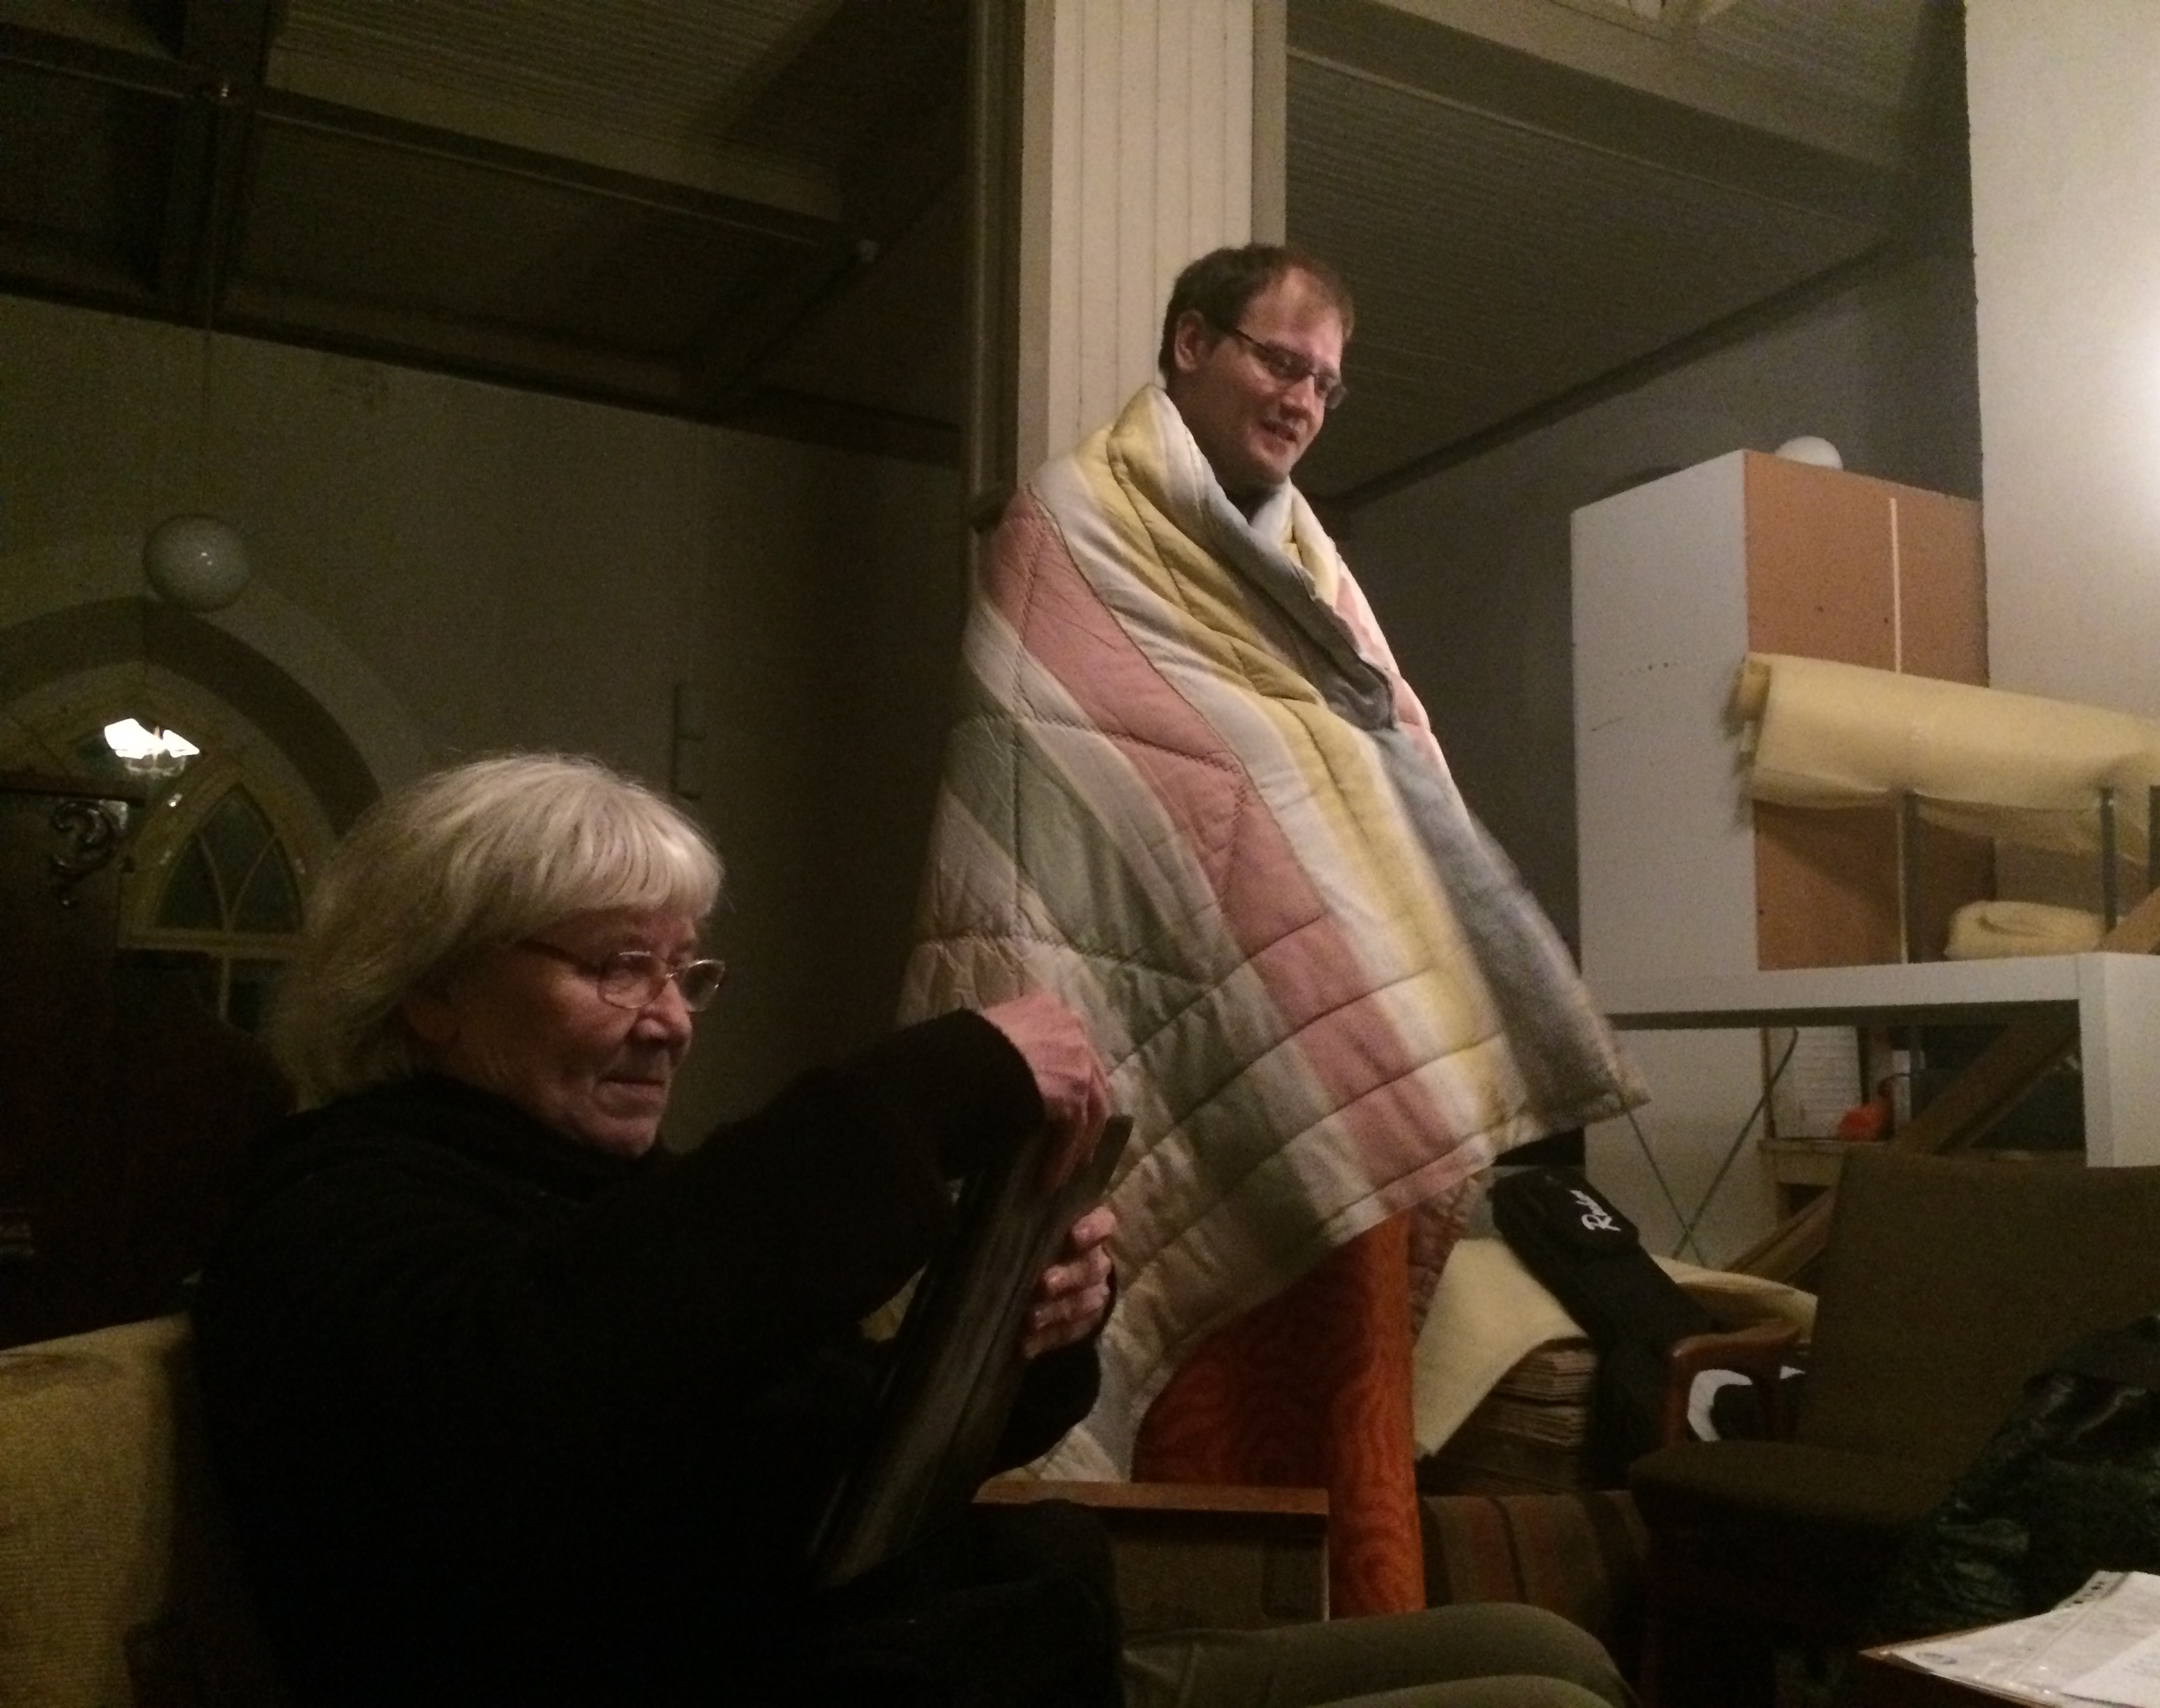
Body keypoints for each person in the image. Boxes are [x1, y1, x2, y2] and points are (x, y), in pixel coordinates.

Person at [197, 751, 1632, 1708]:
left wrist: (1015, 1339)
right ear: (431, 989)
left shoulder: (581, 1197)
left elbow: (829, 1448)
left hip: (922, 1661)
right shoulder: (332, 1208)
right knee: (1533, 1704)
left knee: (1544, 1646)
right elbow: (547, 1368)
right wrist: (938, 1085)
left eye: (685, 972)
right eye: (616, 968)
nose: (670, 1021)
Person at [901, 246, 1644, 1598]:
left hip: (1333, 1064)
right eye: (1281, 361)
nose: (1304, 399)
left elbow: (1390, 772)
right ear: (1192, 343)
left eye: (1326, 383)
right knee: (1184, 1413)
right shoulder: (1066, 524)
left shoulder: (1315, 562)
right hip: (1175, 1040)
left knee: (1337, 1411)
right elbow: (1045, 796)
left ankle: (1352, 1647)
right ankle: (1174, 1643)